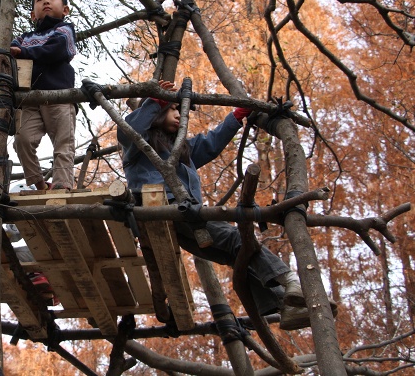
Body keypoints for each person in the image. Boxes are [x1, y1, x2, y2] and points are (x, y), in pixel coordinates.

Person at [117, 80, 335, 330]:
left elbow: (211, 143)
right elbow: (127, 131)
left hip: (183, 220)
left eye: (179, 109)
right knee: (235, 238)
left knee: (237, 253)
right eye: (172, 109)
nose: (179, 114)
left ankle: (285, 304)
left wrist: (236, 117)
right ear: (155, 115)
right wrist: (155, 102)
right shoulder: (138, 146)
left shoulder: (181, 149)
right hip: (167, 210)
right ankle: (290, 281)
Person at [10, 0, 77, 191]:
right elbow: (11, 55)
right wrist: (19, 53)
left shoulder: (64, 30)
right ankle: (39, 183)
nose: (46, 1)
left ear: (65, 10)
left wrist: (26, 54)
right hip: (30, 99)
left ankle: (61, 185)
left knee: (63, 143)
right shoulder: (23, 39)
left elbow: (56, 50)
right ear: (33, 14)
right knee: (22, 140)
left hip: (59, 95)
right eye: (40, 0)